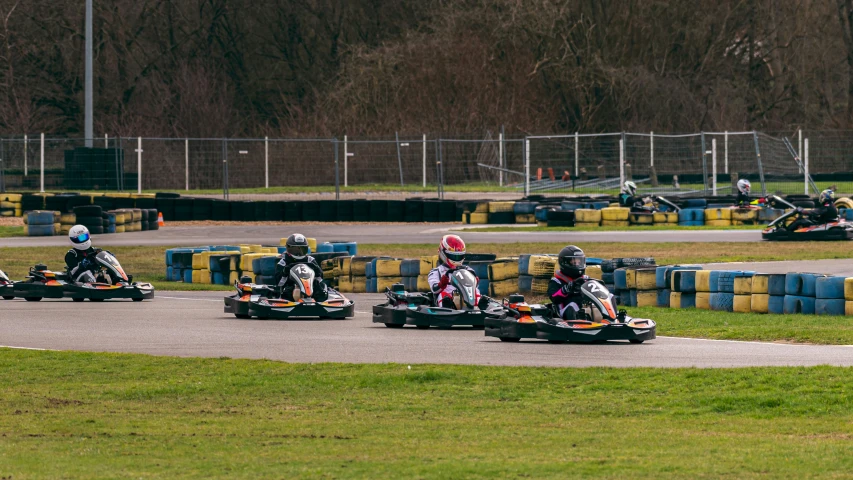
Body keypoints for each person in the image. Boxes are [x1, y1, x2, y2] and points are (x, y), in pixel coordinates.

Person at [427, 234, 488, 309]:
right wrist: (441, 284)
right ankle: (447, 308)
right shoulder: (436, 272)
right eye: (453, 256)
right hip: (448, 300)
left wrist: (475, 282)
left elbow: (473, 287)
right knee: (443, 294)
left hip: (466, 298)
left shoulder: (468, 270)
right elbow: (434, 289)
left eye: (459, 256)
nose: (456, 259)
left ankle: (480, 307)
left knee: (476, 291)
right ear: (443, 253)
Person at [274, 233, 328, 301]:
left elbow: (320, 278)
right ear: (289, 247)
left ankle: (319, 300)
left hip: (309, 285)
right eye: (296, 249)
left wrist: (317, 271)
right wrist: (284, 273)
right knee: (287, 291)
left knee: (321, 287)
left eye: (302, 249)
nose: (299, 252)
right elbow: (279, 283)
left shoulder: (310, 260)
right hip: (290, 285)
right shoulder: (284, 262)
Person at [547, 245, 589, 320]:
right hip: (564, 314)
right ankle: (580, 322)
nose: (578, 264)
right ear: (565, 262)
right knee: (573, 305)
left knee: (610, 296)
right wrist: (566, 289)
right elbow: (553, 298)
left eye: (579, 261)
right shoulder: (556, 281)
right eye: (574, 261)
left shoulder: (585, 279)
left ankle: (612, 319)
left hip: (585, 310)